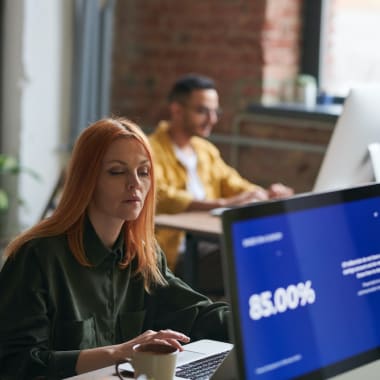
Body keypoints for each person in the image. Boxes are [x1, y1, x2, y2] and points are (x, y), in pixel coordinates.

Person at [0, 118, 229, 379]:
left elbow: (197, 313)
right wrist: (119, 352)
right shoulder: (36, 257)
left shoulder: (143, 252)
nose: (135, 184)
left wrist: (263, 323)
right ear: (87, 180)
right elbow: (16, 364)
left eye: (143, 172)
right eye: (117, 172)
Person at [149, 74, 294, 281]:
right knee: (254, 259)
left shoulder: (205, 150)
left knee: (271, 248)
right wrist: (222, 203)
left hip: (207, 243)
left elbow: (234, 183)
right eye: (202, 111)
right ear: (177, 110)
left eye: (215, 111)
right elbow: (160, 195)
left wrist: (265, 194)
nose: (213, 119)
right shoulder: (149, 150)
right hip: (174, 255)